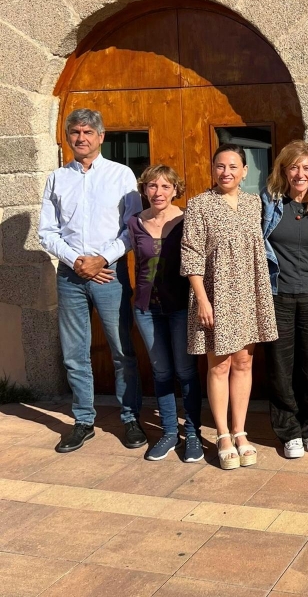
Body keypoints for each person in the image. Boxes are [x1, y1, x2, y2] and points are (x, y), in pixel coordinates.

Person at [39, 108, 145, 453]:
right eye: (75, 132)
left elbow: (132, 229)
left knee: (121, 350)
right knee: (74, 353)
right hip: (70, 276)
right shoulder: (57, 178)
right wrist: (77, 261)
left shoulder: (121, 175)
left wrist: (101, 259)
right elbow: (47, 231)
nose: (80, 138)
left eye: (87, 132)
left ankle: (130, 418)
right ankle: (84, 420)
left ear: (101, 137)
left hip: (109, 275)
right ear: (67, 137)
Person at [181, 143, 278, 470]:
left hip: (248, 294)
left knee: (243, 364)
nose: (226, 172)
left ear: (245, 172)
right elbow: (191, 254)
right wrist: (203, 300)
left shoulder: (253, 204)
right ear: (213, 169)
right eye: (220, 166)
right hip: (215, 295)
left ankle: (240, 431)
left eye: (233, 166)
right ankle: (222, 434)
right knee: (219, 365)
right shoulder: (199, 205)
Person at [128, 164, 203, 463]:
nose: (158, 192)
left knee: (185, 371)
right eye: (152, 186)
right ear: (144, 190)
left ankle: (194, 433)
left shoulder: (188, 219)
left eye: (164, 187)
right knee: (161, 371)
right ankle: (169, 433)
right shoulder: (134, 222)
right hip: (146, 308)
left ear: (175, 190)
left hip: (181, 307)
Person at [261, 140, 308, 459]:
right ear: (284, 170)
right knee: (280, 365)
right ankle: (288, 430)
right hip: (278, 296)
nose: (300, 174)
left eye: (306, 168)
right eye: (294, 167)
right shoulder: (268, 203)